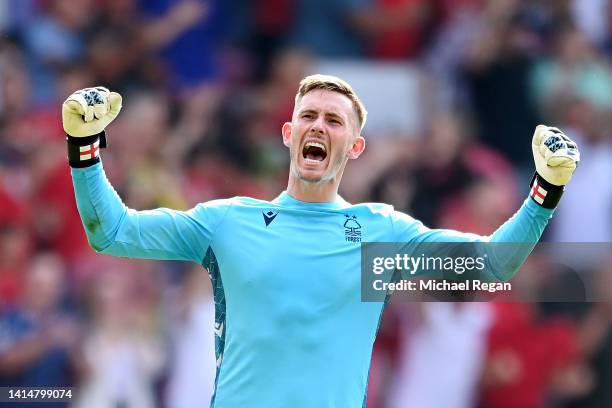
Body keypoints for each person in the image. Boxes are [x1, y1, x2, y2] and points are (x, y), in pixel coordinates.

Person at [61, 76, 579, 407]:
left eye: (334, 121)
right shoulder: (227, 222)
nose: (319, 126)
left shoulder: (381, 232)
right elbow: (113, 232)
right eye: (309, 116)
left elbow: (491, 265)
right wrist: (83, 147)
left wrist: (545, 191)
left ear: (354, 148)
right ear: (288, 134)